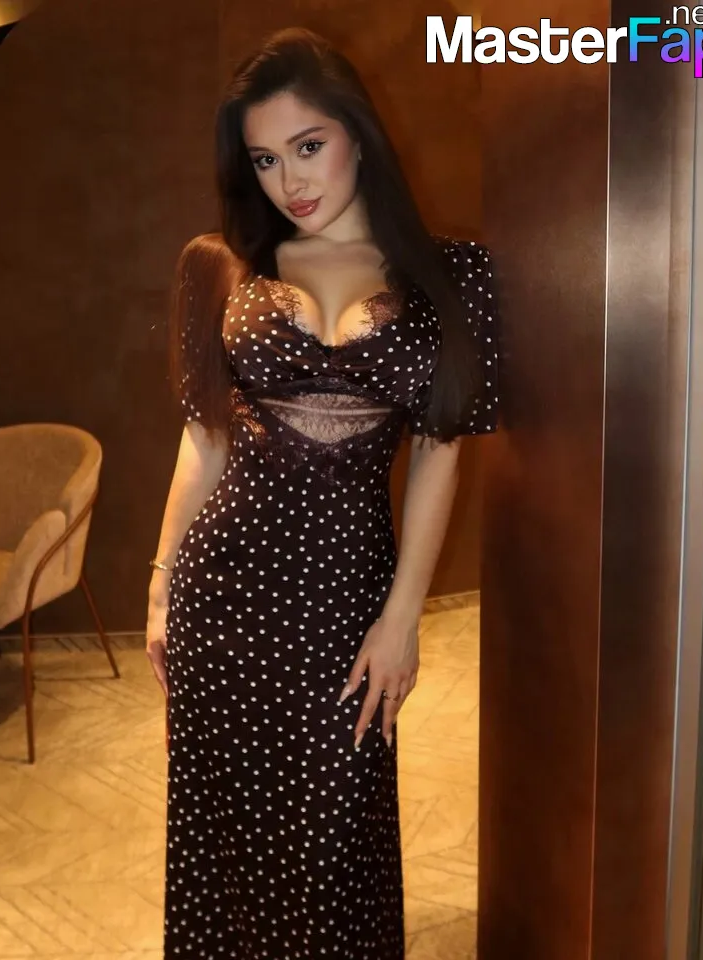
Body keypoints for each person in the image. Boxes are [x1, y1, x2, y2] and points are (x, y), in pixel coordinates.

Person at [146, 25, 499, 960]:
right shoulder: (227, 268)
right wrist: (160, 584)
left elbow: (440, 451)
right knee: (230, 837)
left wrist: (404, 616)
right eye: (265, 159)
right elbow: (204, 440)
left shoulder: (455, 275)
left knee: (338, 841)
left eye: (308, 146)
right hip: (224, 595)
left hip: (347, 600)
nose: (288, 181)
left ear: (358, 134)